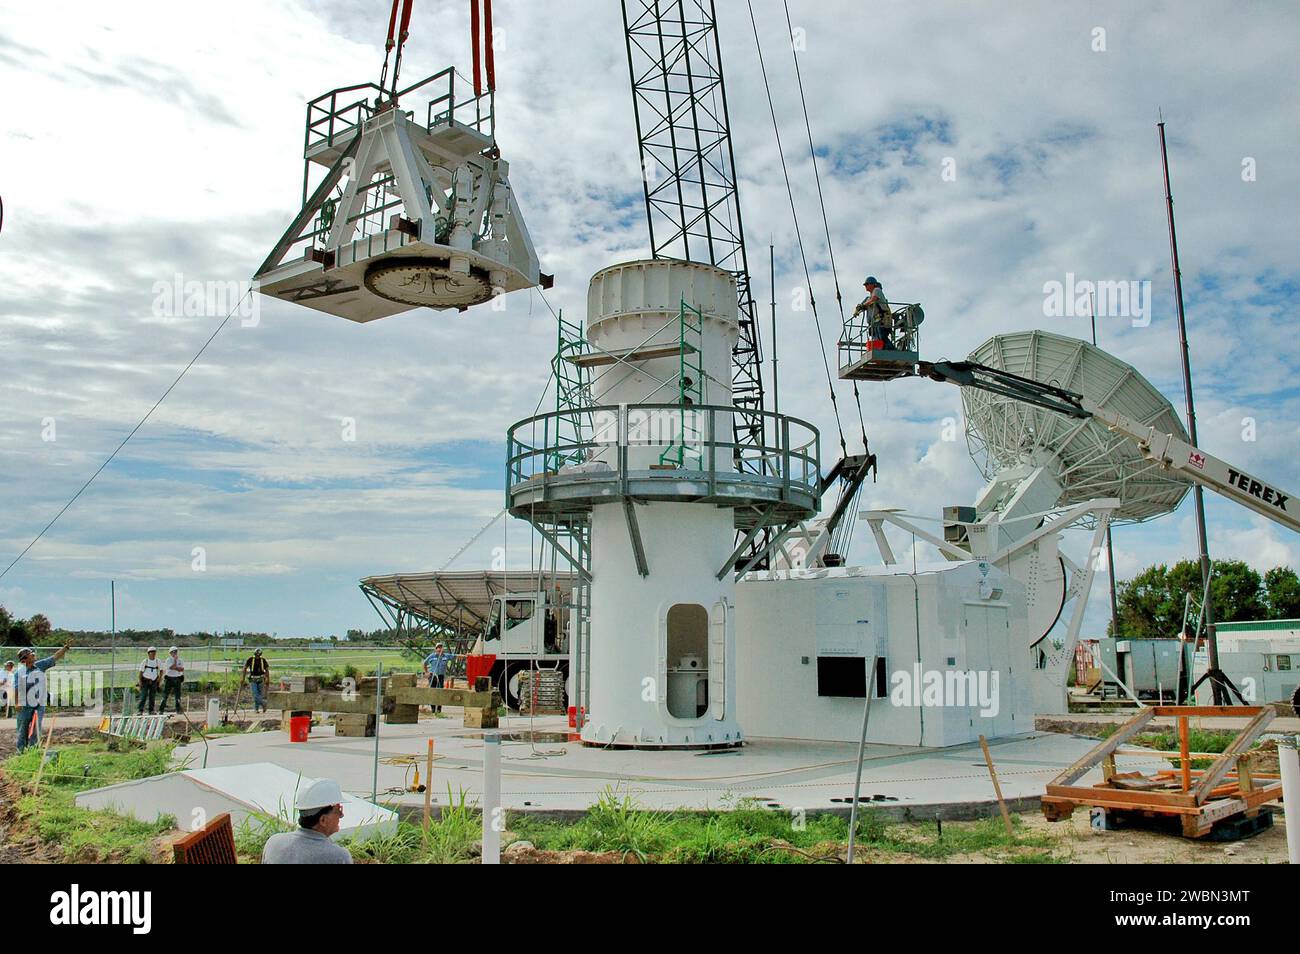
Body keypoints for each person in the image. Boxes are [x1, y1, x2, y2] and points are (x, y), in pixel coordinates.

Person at [261, 778, 353, 864]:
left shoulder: (273, 843)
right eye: (338, 810)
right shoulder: (338, 857)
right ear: (323, 820)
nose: (341, 815)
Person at [14, 642, 71, 753]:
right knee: (23, 729)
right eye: (31, 654)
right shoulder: (19, 673)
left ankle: (33, 750)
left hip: (39, 704)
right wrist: (17, 703)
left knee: (36, 727)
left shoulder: (40, 665)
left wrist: (65, 648)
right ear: (24, 659)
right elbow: (16, 689)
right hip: (24, 705)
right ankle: (20, 751)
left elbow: (54, 657)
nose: (33, 655)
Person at [852, 276, 894, 349]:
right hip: (874, 322)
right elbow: (864, 304)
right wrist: (858, 309)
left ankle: (892, 351)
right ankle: (883, 350)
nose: (866, 286)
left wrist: (862, 306)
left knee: (882, 338)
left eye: (867, 284)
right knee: (877, 339)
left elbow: (873, 300)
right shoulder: (869, 297)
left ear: (873, 284)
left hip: (882, 320)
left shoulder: (877, 290)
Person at [423, 642, 455, 713]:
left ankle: (439, 709)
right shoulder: (432, 656)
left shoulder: (446, 656)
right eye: (438, 648)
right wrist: (426, 672)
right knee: (432, 692)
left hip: (440, 676)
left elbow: (455, 656)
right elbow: (424, 663)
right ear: (436, 649)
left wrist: (466, 656)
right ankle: (433, 709)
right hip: (432, 676)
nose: (440, 649)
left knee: (440, 691)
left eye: (441, 647)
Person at [243, 649, 271, 713]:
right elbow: (245, 668)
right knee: (255, 695)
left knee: (260, 694)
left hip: (261, 679)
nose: (257, 656)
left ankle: (256, 709)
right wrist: (243, 678)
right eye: (256, 655)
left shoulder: (263, 660)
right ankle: (264, 704)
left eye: (258, 655)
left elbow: (266, 670)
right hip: (253, 679)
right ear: (254, 654)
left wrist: (267, 678)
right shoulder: (250, 659)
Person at [160, 646, 185, 715]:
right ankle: (161, 710)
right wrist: (175, 661)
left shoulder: (180, 660)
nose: (175, 653)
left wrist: (176, 668)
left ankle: (178, 709)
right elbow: (171, 667)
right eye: (173, 652)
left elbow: (182, 669)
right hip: (169, 678)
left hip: (177, 678)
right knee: (165, 694)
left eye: (176, 651)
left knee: (178, 695)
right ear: (170, 653)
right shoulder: (168, 660)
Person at [138, 647, 162, 714]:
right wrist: (140, 682)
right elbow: (140, 673)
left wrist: (159, 679)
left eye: (154, 652)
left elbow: (161, 670)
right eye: (151, 652)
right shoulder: (145, 661)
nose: (153, 653)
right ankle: (140, 710)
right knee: (143, 696)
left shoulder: (158, 661)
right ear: (148, 653)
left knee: (152, 696)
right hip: (145, 681)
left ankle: (151, 710)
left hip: (154, 681)